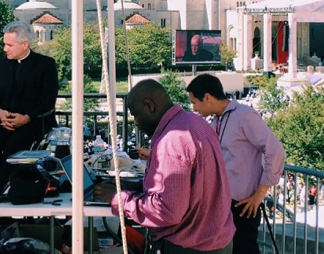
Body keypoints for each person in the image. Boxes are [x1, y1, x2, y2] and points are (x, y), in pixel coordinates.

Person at [94, 79, 234, 254]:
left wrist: (119, 199)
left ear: (149, 105)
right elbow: (195, 183)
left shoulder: (172, 140)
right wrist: (135, 187)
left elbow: (168, 212)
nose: (136, 123)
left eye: (136, 114)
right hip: (217, 241)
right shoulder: (194, 123)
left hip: (188, 246)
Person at [187, 74, 284, 254]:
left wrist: (259, 194)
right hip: (222, 202)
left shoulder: (245, 115)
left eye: (195, 102)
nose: (194, 108)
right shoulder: (215, 120)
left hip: (243, 203)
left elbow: (275, 150)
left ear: (207, 97)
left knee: (244, 248)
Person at [0, 21, 59, 196]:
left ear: (25, 45)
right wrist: (0, 112)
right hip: (4, 122)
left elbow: (47, 100)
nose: (5, 49)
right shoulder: (1, 65)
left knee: (14, 148)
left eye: (9, 45)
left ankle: (4, 197)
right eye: (4, 44)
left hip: (34, 123)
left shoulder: (45, 64)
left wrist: (26, 117)